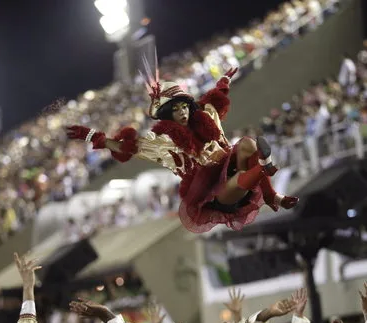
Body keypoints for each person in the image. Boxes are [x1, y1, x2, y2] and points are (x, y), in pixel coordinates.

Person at [66, 62, 298, 233]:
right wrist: (91, 136)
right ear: (169, 116)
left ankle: (272, 196)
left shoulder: (207, 118)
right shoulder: (163, 143)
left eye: (184, 107)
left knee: (247, 143)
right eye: (175, 110)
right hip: (212, 194)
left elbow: (214, 99)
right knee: (233, 182)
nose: (183, 112)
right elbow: (127, 147)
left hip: (232, 167)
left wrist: (224, 81)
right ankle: (263, 169)